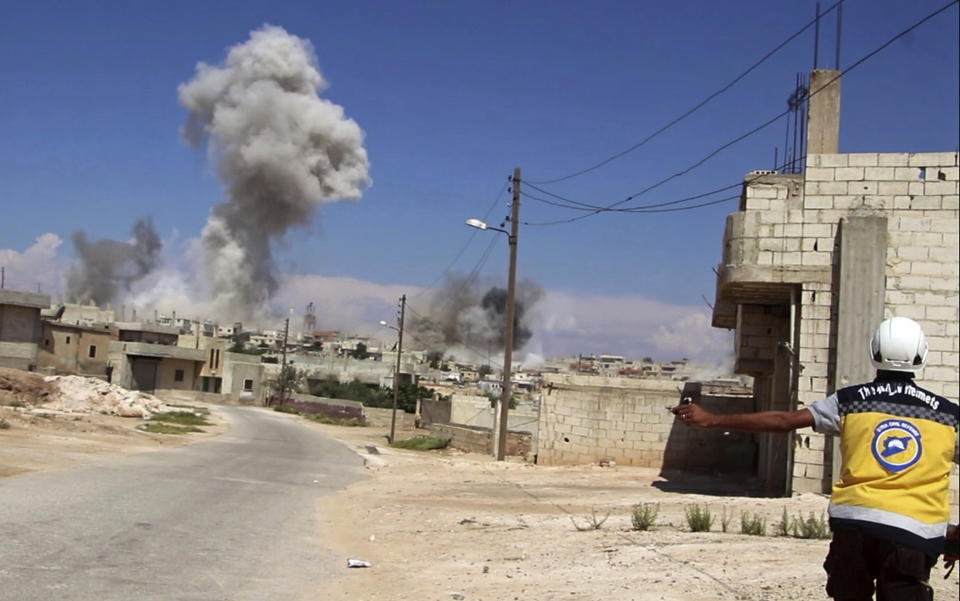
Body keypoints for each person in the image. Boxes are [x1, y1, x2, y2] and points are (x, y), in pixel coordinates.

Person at [673, 316, 959, 601]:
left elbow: (785, 420)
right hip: (915, 532)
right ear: (922, 355)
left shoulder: (851, 400)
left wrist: (711, 419)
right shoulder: (948, 415)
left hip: (855, 522)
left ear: (874, 352)